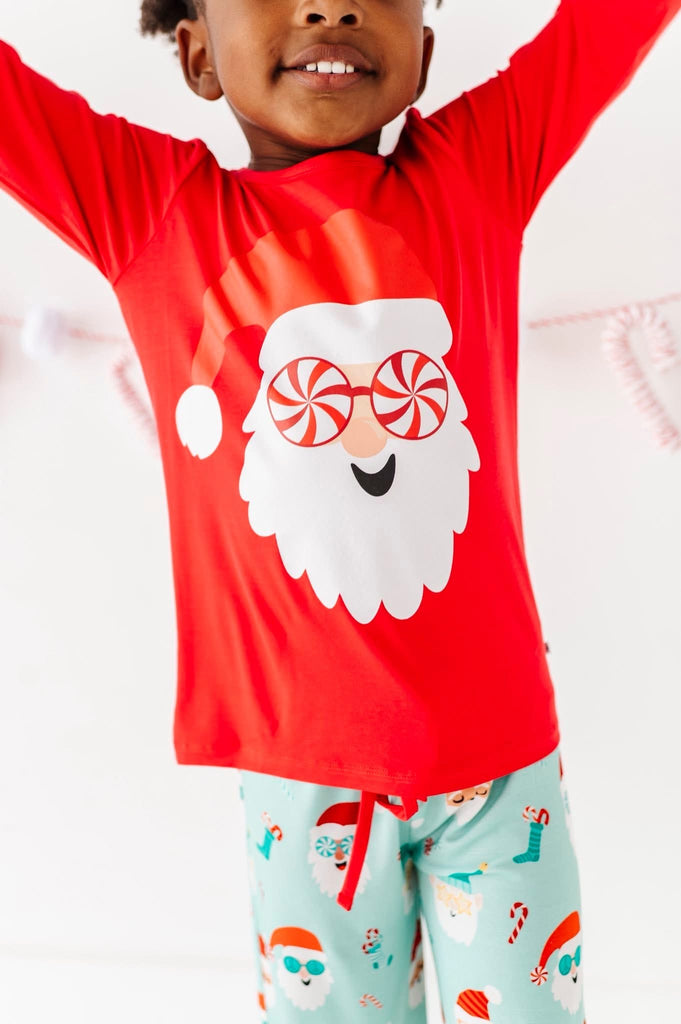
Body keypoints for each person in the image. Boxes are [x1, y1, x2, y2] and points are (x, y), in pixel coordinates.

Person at [1, 1, 678, 1020]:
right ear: (196, 54)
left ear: (425, 54)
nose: (330, 3)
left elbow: (605, 24)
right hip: (301, 785)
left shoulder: (476, 171)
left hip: (502, 773)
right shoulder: (153, 211)